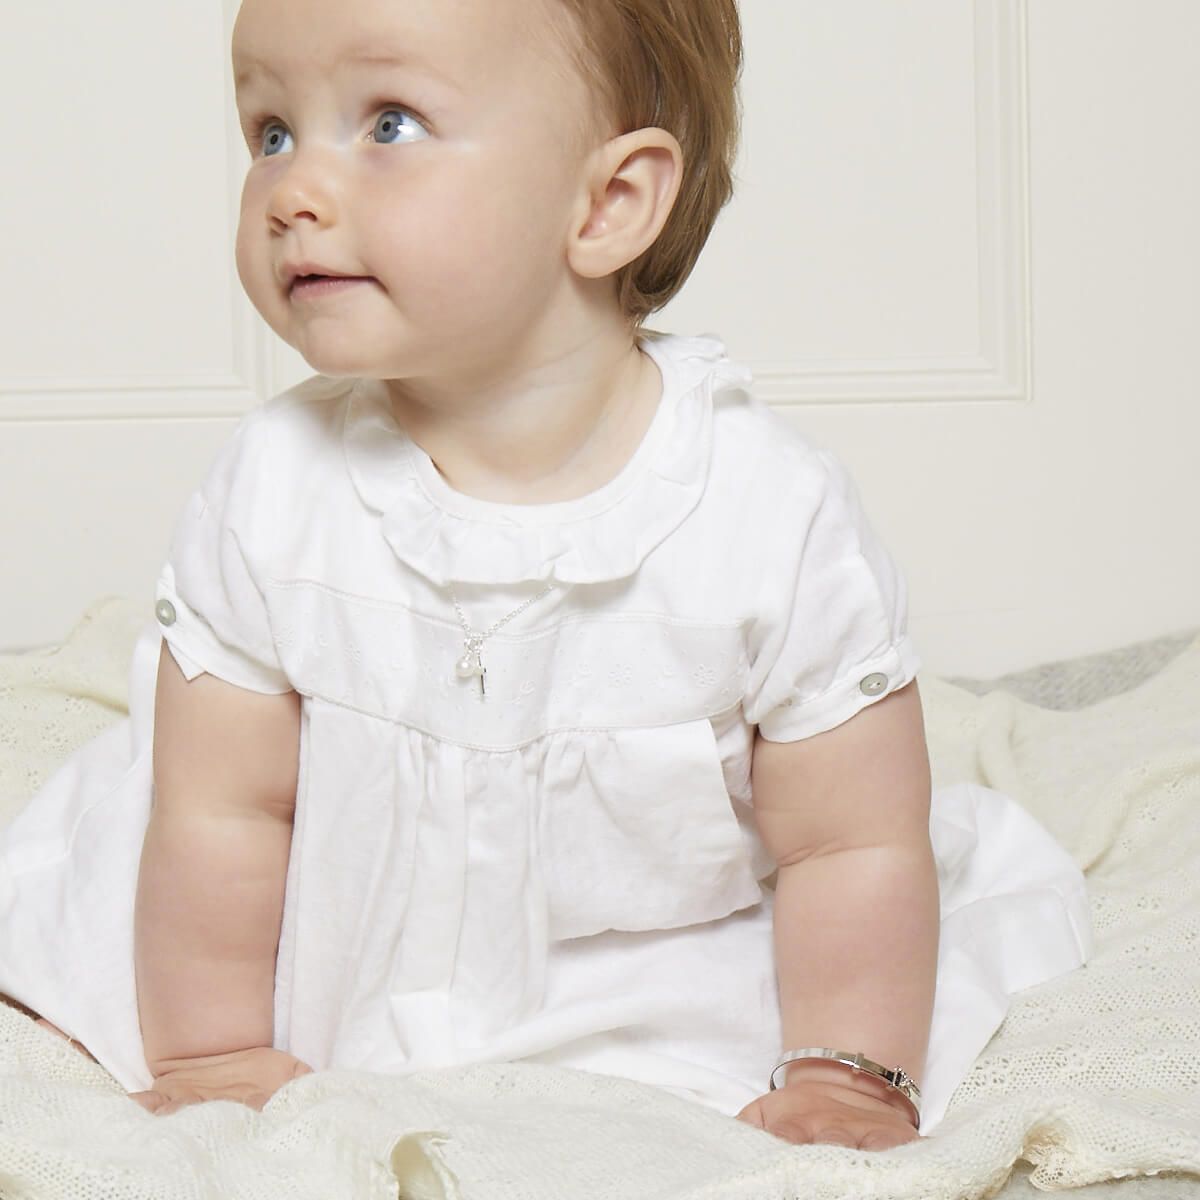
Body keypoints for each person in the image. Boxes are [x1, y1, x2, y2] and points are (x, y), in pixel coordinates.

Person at [0, 0, 1091, 1151]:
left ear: (608, 202)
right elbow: (222, 811)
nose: (293, 191)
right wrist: (214, 1051)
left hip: (655, 962)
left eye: (387, 122)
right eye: (271, 132)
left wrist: (843, 1071)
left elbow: (847, 842)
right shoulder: (273, 491)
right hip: (317, 936)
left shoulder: (766, 516)